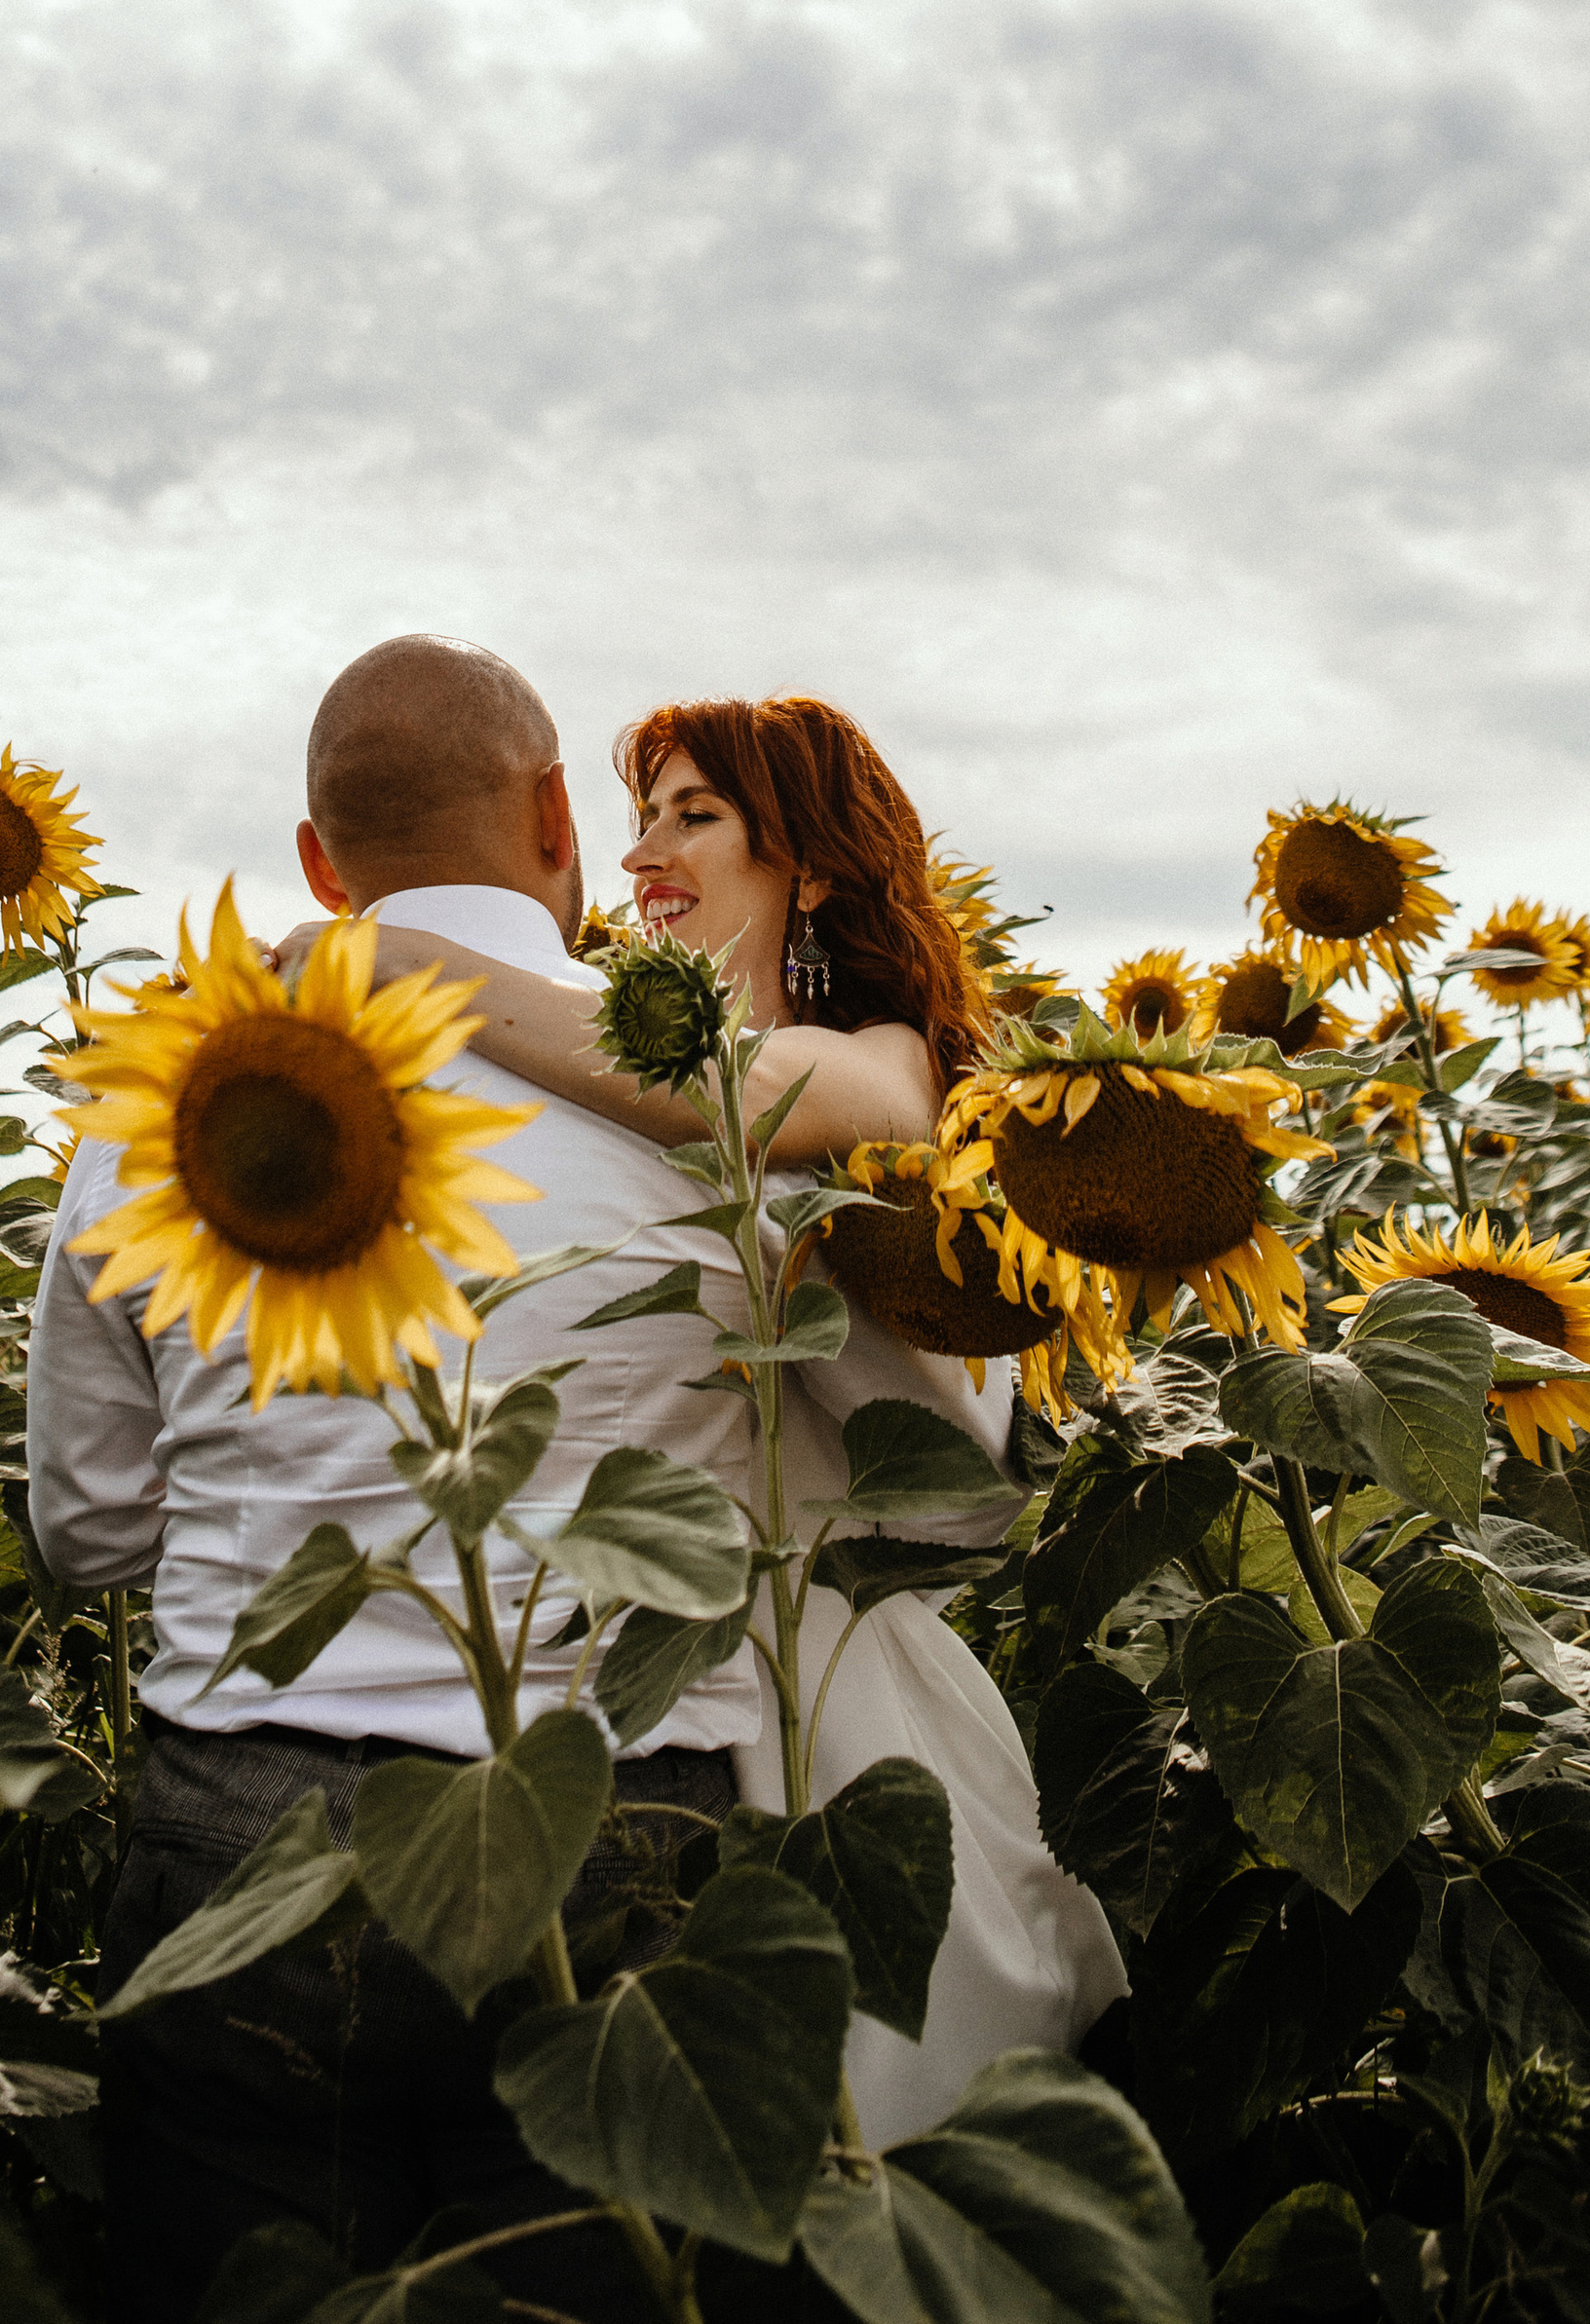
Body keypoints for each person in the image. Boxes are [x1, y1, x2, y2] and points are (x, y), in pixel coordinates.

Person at [27, 639, 944, 2324]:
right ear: (556, 818)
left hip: (244, 1821)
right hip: (623, 1817)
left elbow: (84, 1527)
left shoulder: (162, 1100)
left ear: (319, 863)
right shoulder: (726, 1104)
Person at [322, 691, 1125, 2141]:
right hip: (635, 1651)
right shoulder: (589, 1059)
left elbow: (739, 1098)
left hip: (824, 1661)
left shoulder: (884, 1059)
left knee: (852, 2097)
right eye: (639, 819)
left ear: (806, 864)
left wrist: (404, 956)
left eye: (694, 816)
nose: (642, 855)